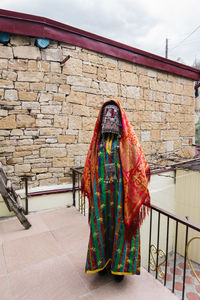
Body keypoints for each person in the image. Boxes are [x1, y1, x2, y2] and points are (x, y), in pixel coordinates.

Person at [81, 99, 150, 281]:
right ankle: (102, 263)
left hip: (121, 195)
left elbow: (139, 165)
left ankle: (119, 269)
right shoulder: (97, 142)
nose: (110, 118)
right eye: (107, 114)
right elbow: (89, 166)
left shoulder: (128, 140)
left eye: (113, 114)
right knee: (101, 225)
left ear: (119, 117)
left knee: (120, 226)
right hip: (101, 193)